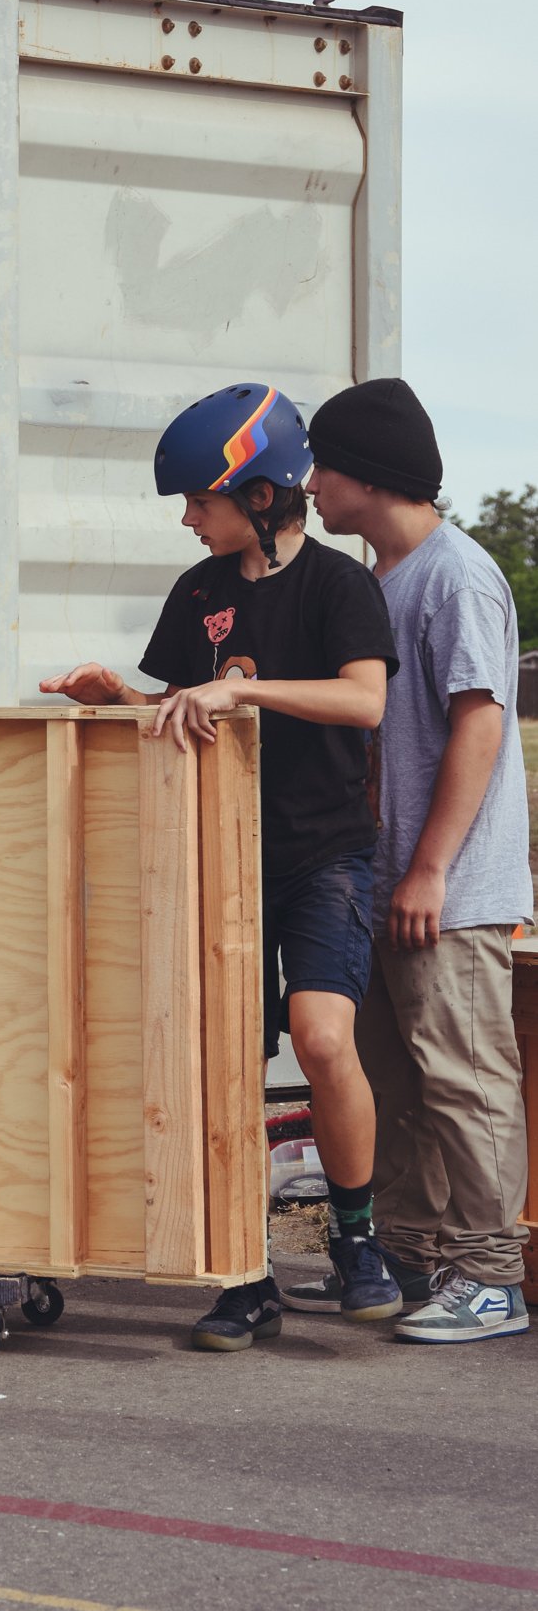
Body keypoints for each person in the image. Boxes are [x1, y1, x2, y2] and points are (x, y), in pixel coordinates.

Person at [40, 382, 401, 1350]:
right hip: (218, 860)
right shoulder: (198, 594)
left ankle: (357, 1241)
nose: (189, 519)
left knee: (322, 1040)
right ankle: (243, 1272)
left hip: (322, 852)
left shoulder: (339, 585)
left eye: (201, 500)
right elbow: (180, 709)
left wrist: (243, 695)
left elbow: (364, 702)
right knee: (221, 1066)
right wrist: (114, 695)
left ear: (266, 494)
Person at [295, 378, 531, 1342]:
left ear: (366, 473)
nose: (308, 483)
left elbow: (479, 719)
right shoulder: (380, 581)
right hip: (383, 883)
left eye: (321, 464)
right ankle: (407, 1252)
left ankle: (489, 1276)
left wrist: (430, 866)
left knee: (463, 1078)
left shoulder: (456, 575)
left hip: (449, 889)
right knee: (394, 1079)